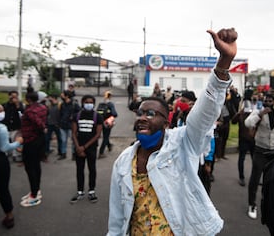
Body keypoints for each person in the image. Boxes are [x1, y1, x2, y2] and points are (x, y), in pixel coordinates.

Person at [107, 27, 237, 235]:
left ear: (166, 122)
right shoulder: (123, 163)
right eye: (140, 113)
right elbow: (116, 220)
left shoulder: (183, 143)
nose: (142, 117)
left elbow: (205, 112)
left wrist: (224, 62)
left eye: (150, 113)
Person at [244, 93, 274, 219]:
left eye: (271, 101)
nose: (268, 103)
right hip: (260, 150)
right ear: (263, 101)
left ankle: (267, 203)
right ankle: (252, 204)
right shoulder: (258, 112)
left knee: (270, 180)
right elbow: (248, 123)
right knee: (255, 179)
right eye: (266, 100)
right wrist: (260, 114)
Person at [71, 95, 103, 204]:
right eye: (86, 102)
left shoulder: (97, 116)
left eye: (90, 102)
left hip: (91, 148)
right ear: (83, 103)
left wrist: (84, 147)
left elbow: (98, 134)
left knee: (92, 169)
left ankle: (91, 191)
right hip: (79, 147)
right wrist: (78, 147)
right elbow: (74, 133)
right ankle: (80, 191)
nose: (88, 104)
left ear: (93, 104)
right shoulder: (77, 116)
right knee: (79, 170)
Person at [20, 92, 47, 207]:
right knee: (36, 165)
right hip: (39, 140)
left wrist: (42, 128)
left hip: (31, 140)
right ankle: (36, 190)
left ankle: (34, 195)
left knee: (30, 167)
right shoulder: (42, 107)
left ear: (28, 99)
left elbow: (38, 123)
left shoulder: (30, 111)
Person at [231, 101, 255, 186]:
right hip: (243, 139)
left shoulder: (254, 115)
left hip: (253, 140)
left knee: (255, 160)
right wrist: (238, 113)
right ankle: (241, 177)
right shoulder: (241, 115)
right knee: (242, 158)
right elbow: (233, 121)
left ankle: (255, 177)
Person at [2, 90, 25, 162]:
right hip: (6, 126)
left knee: (15, 141)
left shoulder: (20, 104)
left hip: (16, 126)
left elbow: (22, 112)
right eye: (12, 96)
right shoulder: (5, 105)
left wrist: (17, 104)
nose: (14, 98)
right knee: (5, 140)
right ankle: (5, 155)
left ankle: (15, 155)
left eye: (15, 96)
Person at [59, 90, 80, 161]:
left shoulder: (74, 104)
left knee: (73, 140)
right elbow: (60, 114)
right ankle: (63, 153)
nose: (61, 95)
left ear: (67, 96)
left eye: (62, 94)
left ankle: (74, 154)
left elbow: (79, 112)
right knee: (63, 140)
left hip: (71, 125)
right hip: (63, 125)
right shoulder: (62, 104)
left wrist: (73, 117)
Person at [98, 91, 118, 158]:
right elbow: (114, 114)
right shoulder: (110, 104)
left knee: (105, 135)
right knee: (106, 137)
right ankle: (101, 152)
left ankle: (109, 146)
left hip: (101, 122)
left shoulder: (101, 103)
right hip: (107, 122)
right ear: (110, 96)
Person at [45, 94, 63, 159]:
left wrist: (60, 123)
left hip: (57, 124)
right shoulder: (49, 106)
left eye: (50, 98)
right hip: (50, 124)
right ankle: (47, 150)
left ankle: (60, 151)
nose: (49, 99)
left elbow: (62, 114)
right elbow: (47, 115)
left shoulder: (59, 105)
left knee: (60, 138)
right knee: (47, 138)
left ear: (54, 98)